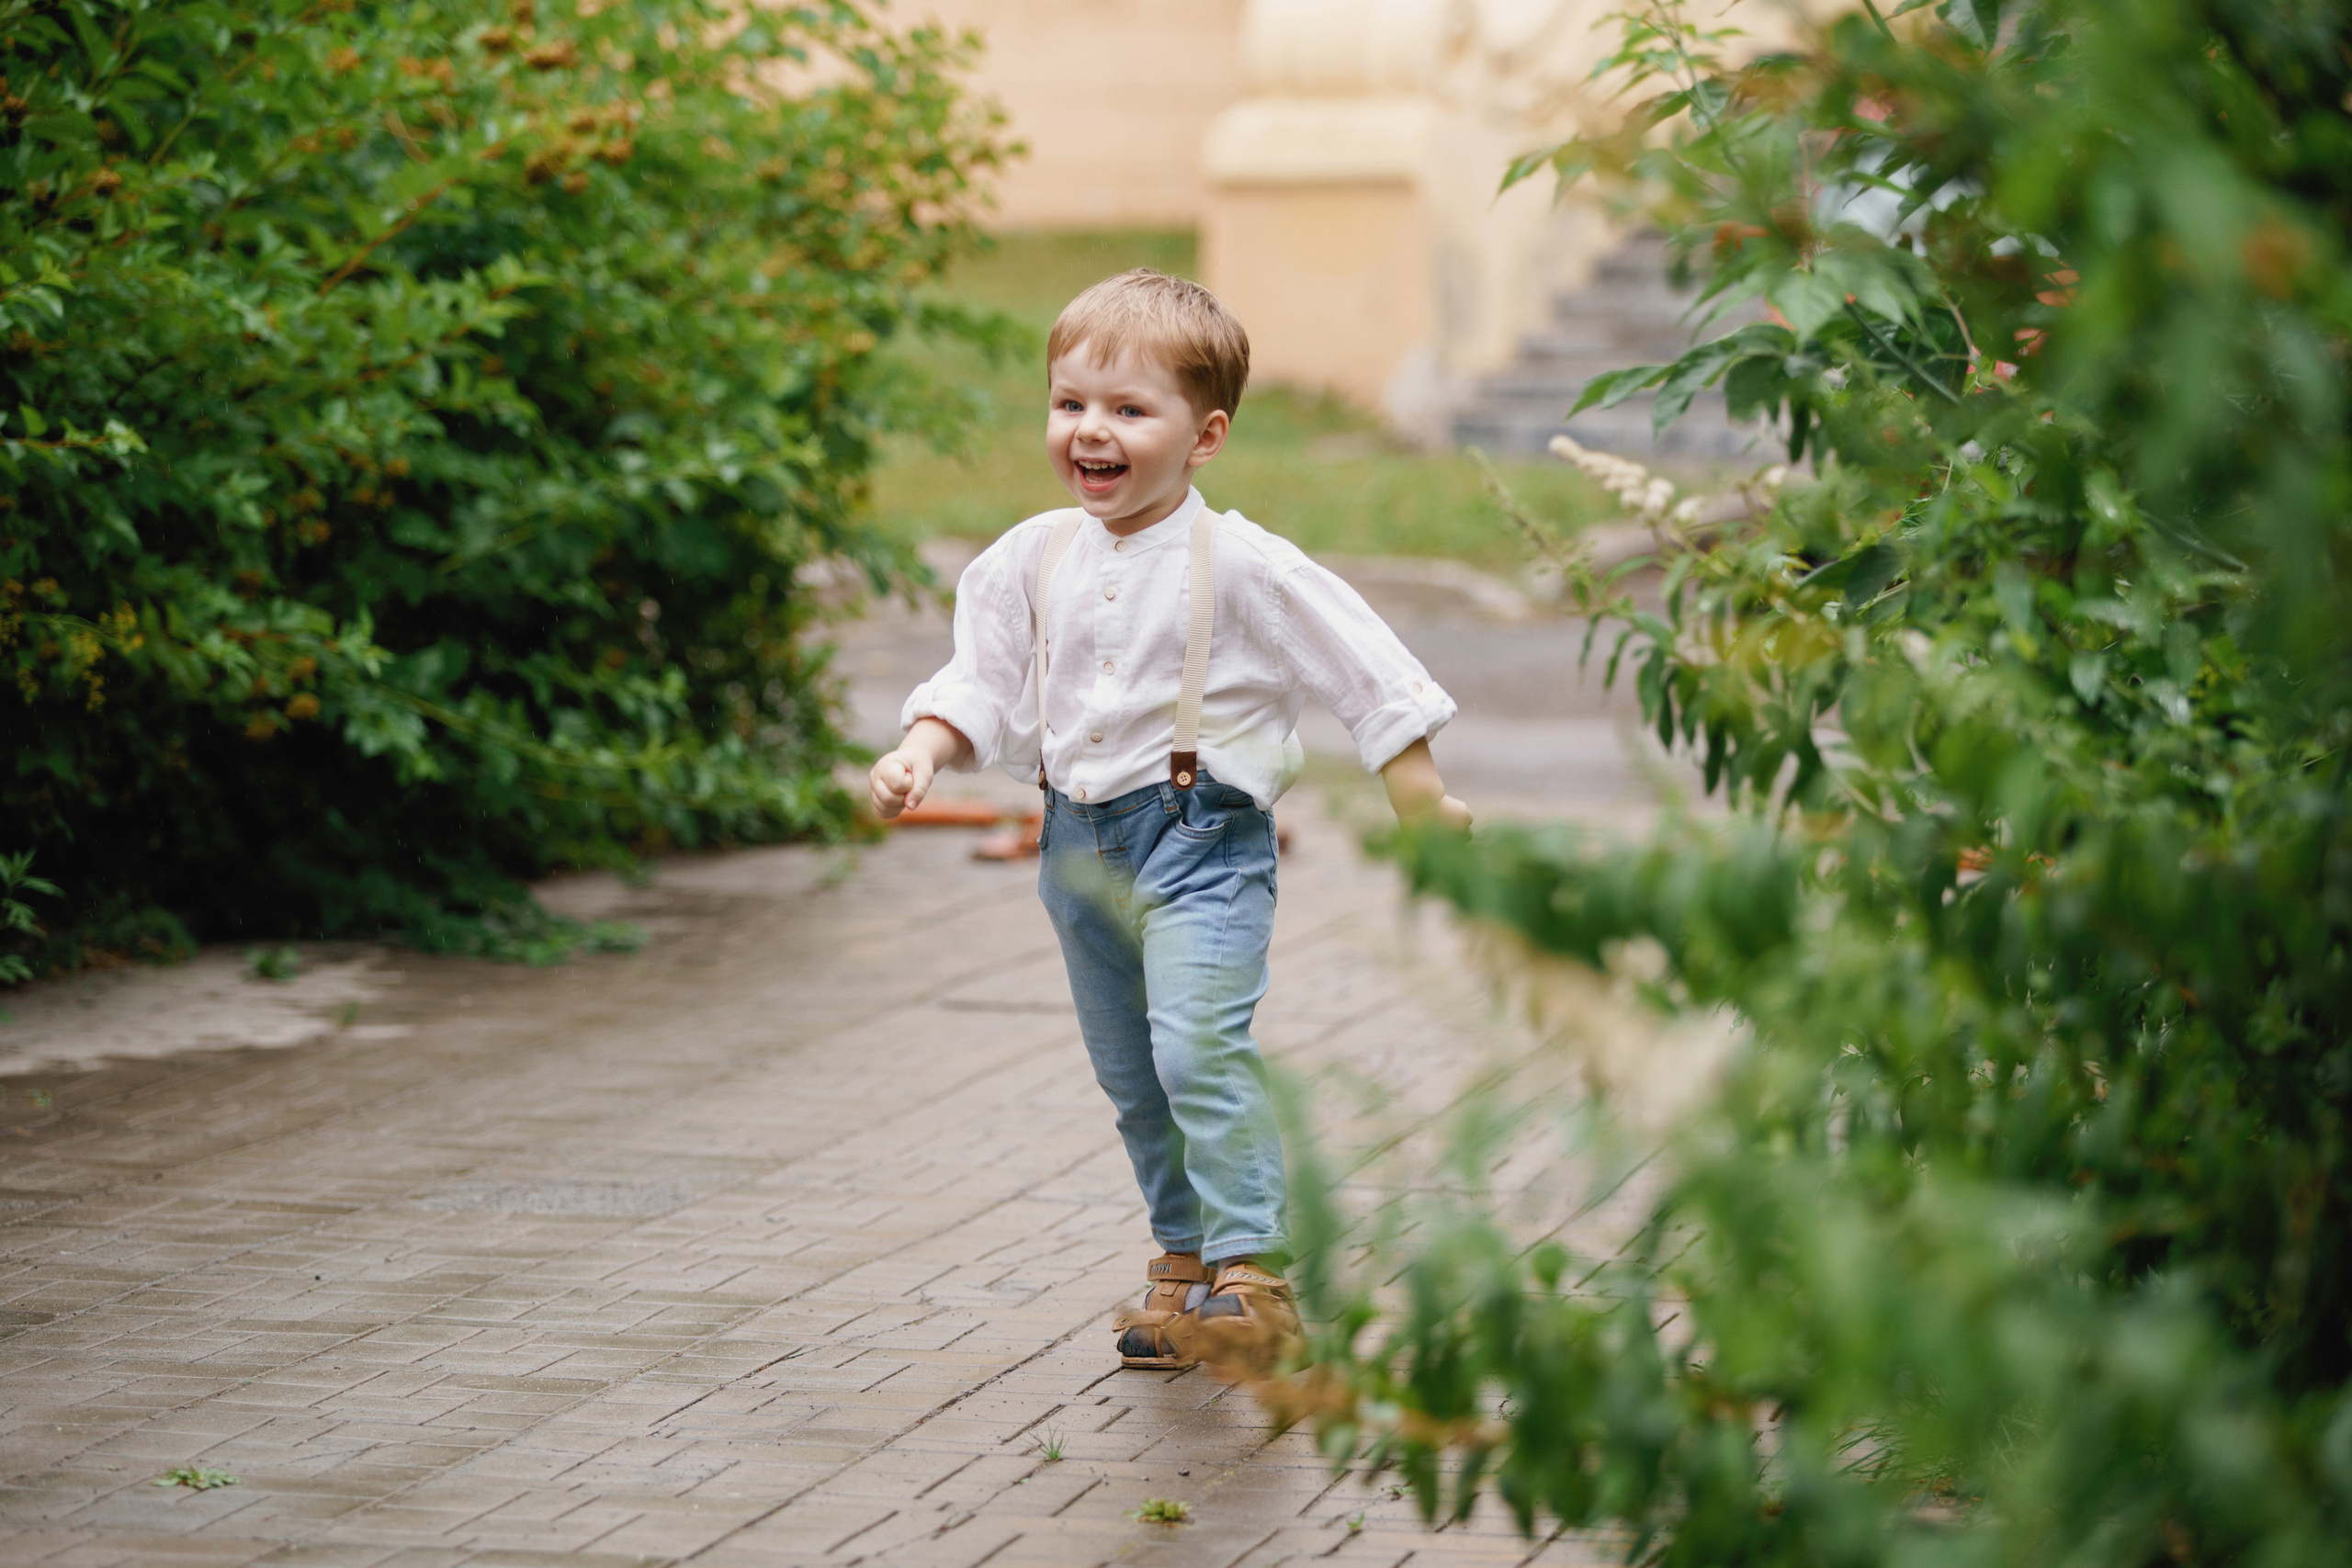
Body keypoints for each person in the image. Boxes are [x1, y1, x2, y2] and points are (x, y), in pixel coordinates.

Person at [869, 269, 1469, 1371]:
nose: (1090, 431)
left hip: (1201, 846)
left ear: (1205, 435)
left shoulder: (1239, 561)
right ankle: (1183, 1261)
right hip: (1075, 849)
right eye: (1069, 404)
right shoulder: (1030, 556)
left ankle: (1255, 1272)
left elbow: (1362, 662)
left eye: (1128, 410)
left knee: (1195, 1045)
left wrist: (1417, 791)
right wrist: (924, 749)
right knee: (1133, 1075)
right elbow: (979, 682)